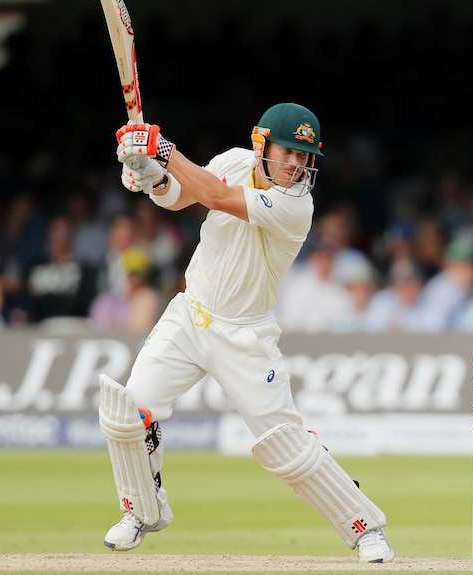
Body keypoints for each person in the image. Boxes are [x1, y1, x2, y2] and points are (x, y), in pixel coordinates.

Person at [99, 103, 394, 563]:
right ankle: (142, 510)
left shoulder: (298, 206)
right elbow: (182, 196)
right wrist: (151, 174)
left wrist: (164, 149)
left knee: (285, 448)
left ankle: (365, 527)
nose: (295, 165)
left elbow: (217, 197)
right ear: (261, 143)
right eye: (287, 152)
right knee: (127, 413)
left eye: (304, 157)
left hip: (246, 337)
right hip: (190, 315)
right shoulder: (233, 161)